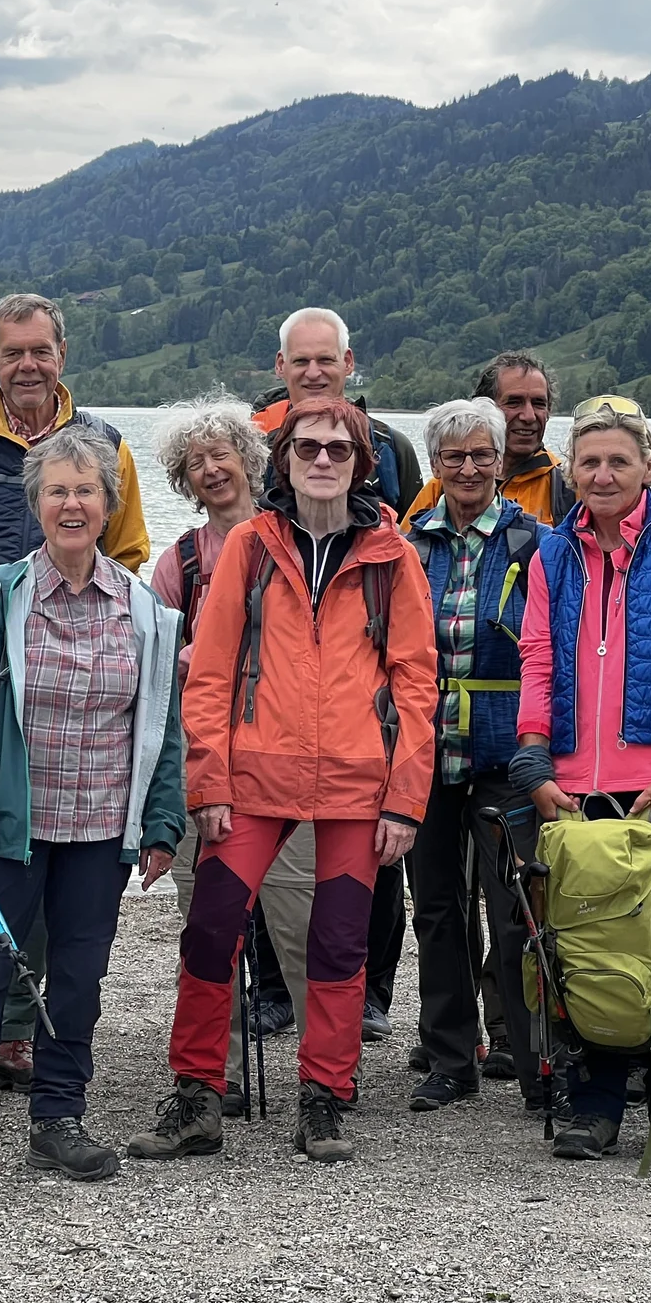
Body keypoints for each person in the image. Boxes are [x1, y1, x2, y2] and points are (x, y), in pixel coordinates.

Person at [128, 399, 437, 1165]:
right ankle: (197, 1098)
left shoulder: (393, 559)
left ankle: (324, 1100)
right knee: (208, 935)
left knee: (337, 948)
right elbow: (207, 674)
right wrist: (208, 784)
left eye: (338, 448)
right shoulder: (250, 548)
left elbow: (417, 684)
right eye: (308, 447)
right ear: (286, 459)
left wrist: (404, 799)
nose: (323, 459)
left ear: (361, 462)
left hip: (356, 786)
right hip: (253, 780)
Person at [0, 429, 187, 1207]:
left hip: (99, 830)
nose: (72, 503)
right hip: (5, 828)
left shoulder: (145, 608)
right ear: (35, 504)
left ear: (110, 503)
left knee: (77, 982)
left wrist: (161, 820)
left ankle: (57, 1119)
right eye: (56, 491)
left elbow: (162, 723)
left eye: (86, 490)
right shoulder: (2, 596)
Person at [0, 293, 150, 1092]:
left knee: (53, 835)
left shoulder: (107, 447)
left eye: (40, 350)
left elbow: (131, 557)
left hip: (69, 652)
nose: (28, 366)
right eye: (12, 353)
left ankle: (17, 1022)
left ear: (63, 355)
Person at [511, 394, 651, 1164]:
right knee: (583, 943)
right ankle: (595, 1097)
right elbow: (537, 658)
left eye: (618, 461)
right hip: (570, 784)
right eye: (589, 461)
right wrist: (533, 765)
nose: (602, 475)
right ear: (572, 468)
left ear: (647, 468)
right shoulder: (551, 553)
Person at [250, 307, 423, 1043]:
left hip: (366, 665)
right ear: (281, 368)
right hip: (282, 679)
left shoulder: (392, 448)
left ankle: (374, 992)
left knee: (376, 865)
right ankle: (272, 990)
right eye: (301, 362)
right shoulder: (262, 441)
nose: (315, 372)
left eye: (327, 360)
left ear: (349, 363)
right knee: (266, 852)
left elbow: (403, 541)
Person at [147, 391, 314, 1116]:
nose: (212, 469)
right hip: (204, 757)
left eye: (222, 454)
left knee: (304, 918)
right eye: (195, 461)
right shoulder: (179, 561)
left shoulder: (299, 541)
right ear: (184, 480)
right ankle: (210, 1075)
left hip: (293, 758)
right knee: (208, 926)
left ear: (249, 461)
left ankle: (323, 1075)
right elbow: (151, 663)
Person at [402, 398, 548, 1114]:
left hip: (506, 748)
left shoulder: (536, 542)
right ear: (434, 465)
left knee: (516, 907)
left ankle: (532, 1058)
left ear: (501, 461)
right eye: (454, 456)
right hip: (423, 747)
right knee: (434, 906)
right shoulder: (407, 545)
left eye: (481, 454)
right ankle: (449, 1057)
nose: (468, 467)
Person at [400, 351, 574, 527]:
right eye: (514, 402)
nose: (529, 416)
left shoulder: (568, 489)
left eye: (538, 403)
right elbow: (408, 546)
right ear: (485, 409)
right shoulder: (444, 487)